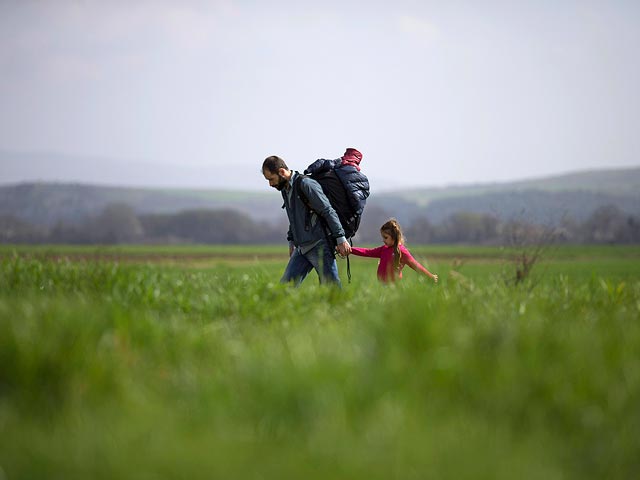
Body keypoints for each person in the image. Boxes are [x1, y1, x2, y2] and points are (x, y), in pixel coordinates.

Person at [262, 155, 352, 286]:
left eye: (271, 179)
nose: (270, 184)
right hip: (302, 248)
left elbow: (328, 210)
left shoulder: (306, 184)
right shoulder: (285, 189)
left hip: (320, 246)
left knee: (332, 290)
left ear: (281, 172)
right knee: (285, 287)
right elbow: (293, 217)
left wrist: (340, 238)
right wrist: (291, 241)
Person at [349, 218, 438, 284]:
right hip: (381, 286)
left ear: (394, 236)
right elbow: (367, 252)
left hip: (393, 288)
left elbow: (416, 266)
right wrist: (350, 250)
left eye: (386, 237)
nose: (383, 240)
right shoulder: (383, 249)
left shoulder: (402, 251)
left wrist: (430, 277)